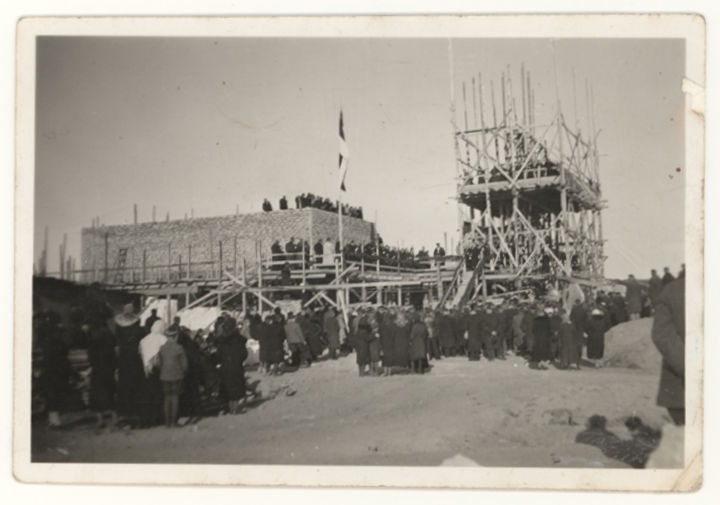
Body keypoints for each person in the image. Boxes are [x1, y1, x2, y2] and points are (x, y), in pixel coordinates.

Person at [651, 276, 685, 426]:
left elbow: (662, 335)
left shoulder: (671, 290)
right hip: (682, 387)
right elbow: (663, 334)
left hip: (679, 385)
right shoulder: (673, 291)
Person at [114, 303, 145, 424]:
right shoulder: (137, 325)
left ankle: (124, 411)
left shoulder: (118, 324)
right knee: (136, 382)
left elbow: (117, 343)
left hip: (123, 357)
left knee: (124, 382)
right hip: (134, 356)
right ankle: (135, 410)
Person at [86, 314, 117, 429]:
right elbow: (114, 353)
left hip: (97, 369)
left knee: (96, 395)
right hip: (108, 369)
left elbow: (90, 356)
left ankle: (100, 419)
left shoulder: (93, 336)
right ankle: (114, 418)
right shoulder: (109, 334)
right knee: (110, 392)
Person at [138, 320, 168, 427]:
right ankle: (158, 418)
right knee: (158, 394)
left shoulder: (143, 340)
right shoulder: (163, 339)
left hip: (145, 369)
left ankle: (147, 419)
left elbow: (140, 354)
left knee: (147, 394)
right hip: (158, 369)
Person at [158, 326, 188, 427]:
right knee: (175, 398)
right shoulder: (179, 348)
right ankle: (173, 422)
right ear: (175, 336)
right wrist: (183, 373)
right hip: (176, 375)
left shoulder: (162, 348)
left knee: (167, 398)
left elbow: (159, 363)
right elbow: (184, 365)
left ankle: (167, 422)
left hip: (164, 376)